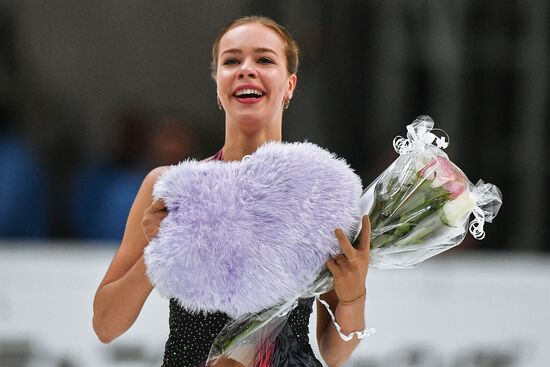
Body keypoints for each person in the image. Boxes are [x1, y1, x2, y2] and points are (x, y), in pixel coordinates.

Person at [92, 16, 371, 367]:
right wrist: (158, 251)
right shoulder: (170, 189)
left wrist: (353, 296)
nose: (246, 70)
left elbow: (335, 353)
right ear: (218, 86)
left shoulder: (322, 190)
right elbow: (105, 325)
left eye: (265, 60)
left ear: (290, 85)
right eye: (232, 61)